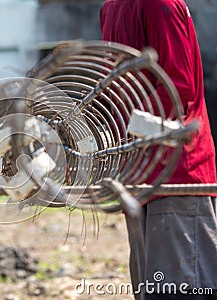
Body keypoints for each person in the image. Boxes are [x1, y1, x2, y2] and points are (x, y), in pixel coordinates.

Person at [100, 0, 217, 299]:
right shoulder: (152, 3)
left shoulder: (116, 6)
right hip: (165, 172)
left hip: (160, 171)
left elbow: (175, 90)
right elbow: (178, 90)